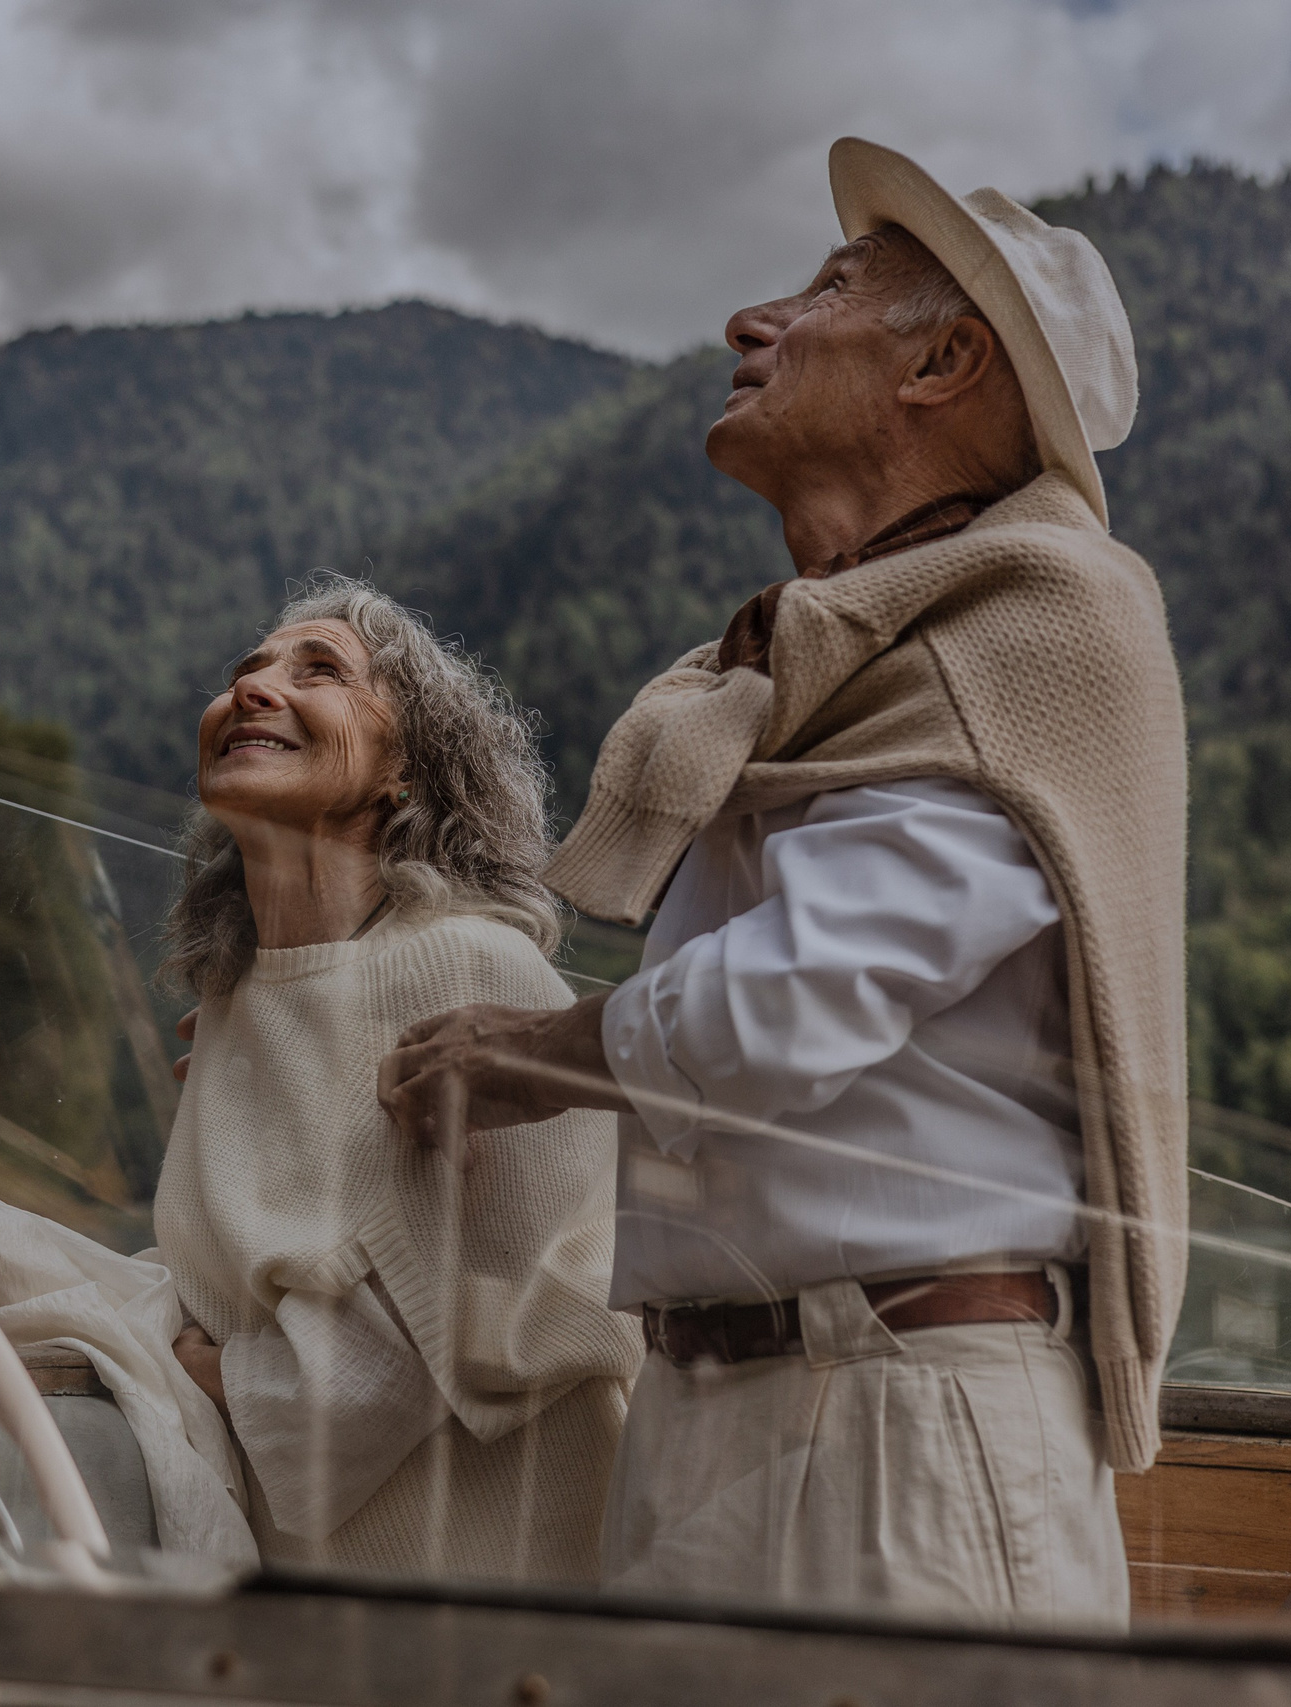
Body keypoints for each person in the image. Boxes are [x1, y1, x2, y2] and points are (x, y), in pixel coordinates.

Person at [378, 138, 1187, 1625]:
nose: (752, 321)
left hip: (901, 1431)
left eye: (825, 288)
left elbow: (801, 999)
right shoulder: (847, 663)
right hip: (718, 1407)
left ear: (947, 360)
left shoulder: (1043, 623)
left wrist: (526, 1053)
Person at [155, 576, 641, 1581]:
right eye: (246, 671)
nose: (253, 690)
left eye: (318, 670)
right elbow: (224, 1282)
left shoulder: (471, 971)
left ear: (403, 769)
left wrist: (207, 1371)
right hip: (308, 1571)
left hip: (487, 1574)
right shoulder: (238, 1002)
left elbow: (436, 1338)